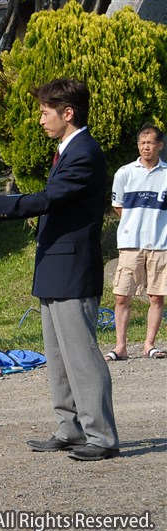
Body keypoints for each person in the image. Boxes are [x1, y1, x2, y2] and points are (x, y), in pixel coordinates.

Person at [0, 78, 119, 461]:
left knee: (81, 355)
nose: (39, 120)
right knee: (58, 355)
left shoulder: (84, 152)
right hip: (54, 266)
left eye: (44, 112)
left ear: (68, 113)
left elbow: (49, 199)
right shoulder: (68, 151)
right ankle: (69, 428)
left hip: (72, 269)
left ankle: (101, 436)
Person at [107, 123, 167, 361]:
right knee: (122, 296)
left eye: (150, 143)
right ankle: (120, 346)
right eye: (142, 143)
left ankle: (149, 344)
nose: (145, 147)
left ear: (159, 146)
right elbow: (118, 205)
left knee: (156, 296)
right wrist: (135, 225)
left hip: (160, 244)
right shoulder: (124, 173)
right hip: (131, 243)